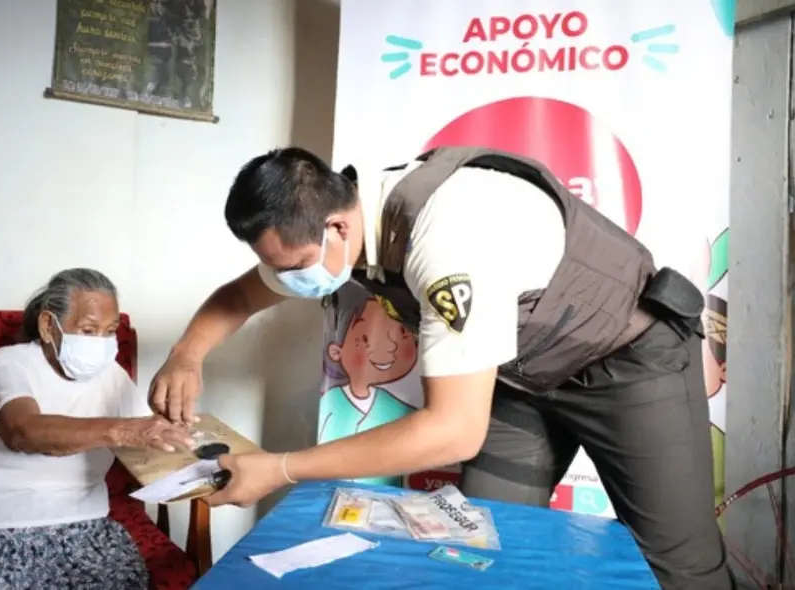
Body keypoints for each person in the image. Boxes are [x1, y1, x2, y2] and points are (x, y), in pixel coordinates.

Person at [147, 146, 734, 589]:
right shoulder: (328, 228)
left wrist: (279, 469)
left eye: (299, 267)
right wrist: (185, 355)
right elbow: (242, 296)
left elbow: (452, 430)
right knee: (482, 546)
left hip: (628, 362)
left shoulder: (447, 238)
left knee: (679, 568)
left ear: (338, 228)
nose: (295, 282)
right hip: (522, 378)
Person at [0, 268, 192, 590]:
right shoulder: (10, 363)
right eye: (88, 330)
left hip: (86, 529)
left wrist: (191, 443)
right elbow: (23, 431)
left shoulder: (113, 375)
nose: (101, 343)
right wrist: (122, 431)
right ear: (47, 325)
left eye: (109, 332)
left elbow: (150, 439)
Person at [319, 287, 417, 486]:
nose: (389, 348)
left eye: (401, 334)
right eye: (366, 340)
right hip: (338, 494)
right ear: (336, 351)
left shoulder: (397, 407)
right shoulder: (333, 401)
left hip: (392, 498)